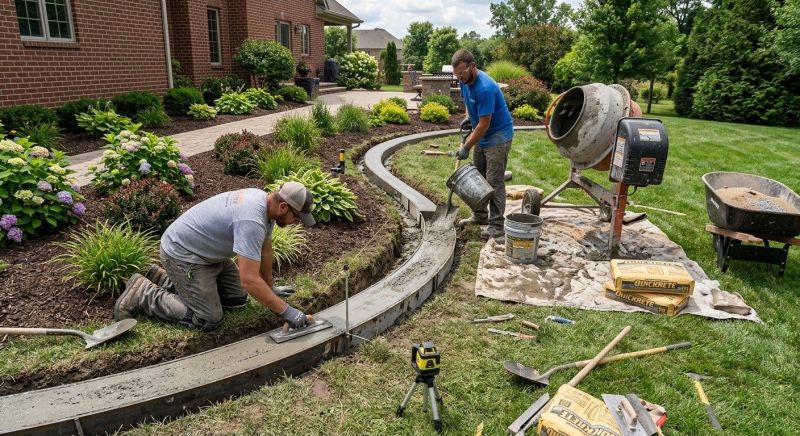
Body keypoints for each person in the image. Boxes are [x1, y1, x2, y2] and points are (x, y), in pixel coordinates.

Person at [114, 182, 316, 331]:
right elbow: (249, 280)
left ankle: (161, 278)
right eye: (296, 217)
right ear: (283, 207)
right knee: (209, 318)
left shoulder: (264, 203)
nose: (295, 222)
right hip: (183, 255)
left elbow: (265, 249)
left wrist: (271, 288)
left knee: (236, 299)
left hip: (207, 255)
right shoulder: (251, 219)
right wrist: (288, 312)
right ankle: (142, 293)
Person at [452, 49, 514, 241]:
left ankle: (497, 226)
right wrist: (468, 118)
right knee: (478, 178)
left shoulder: (485, 87)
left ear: (473, 66)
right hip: (483, 135)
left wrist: (466, 147)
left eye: (462, 73)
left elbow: (485, 123)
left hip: (498, 137)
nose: (460, 77)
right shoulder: (464, 82)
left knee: (494, 181)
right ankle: (480, 216)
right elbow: (472, 108)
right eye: (457, 74)